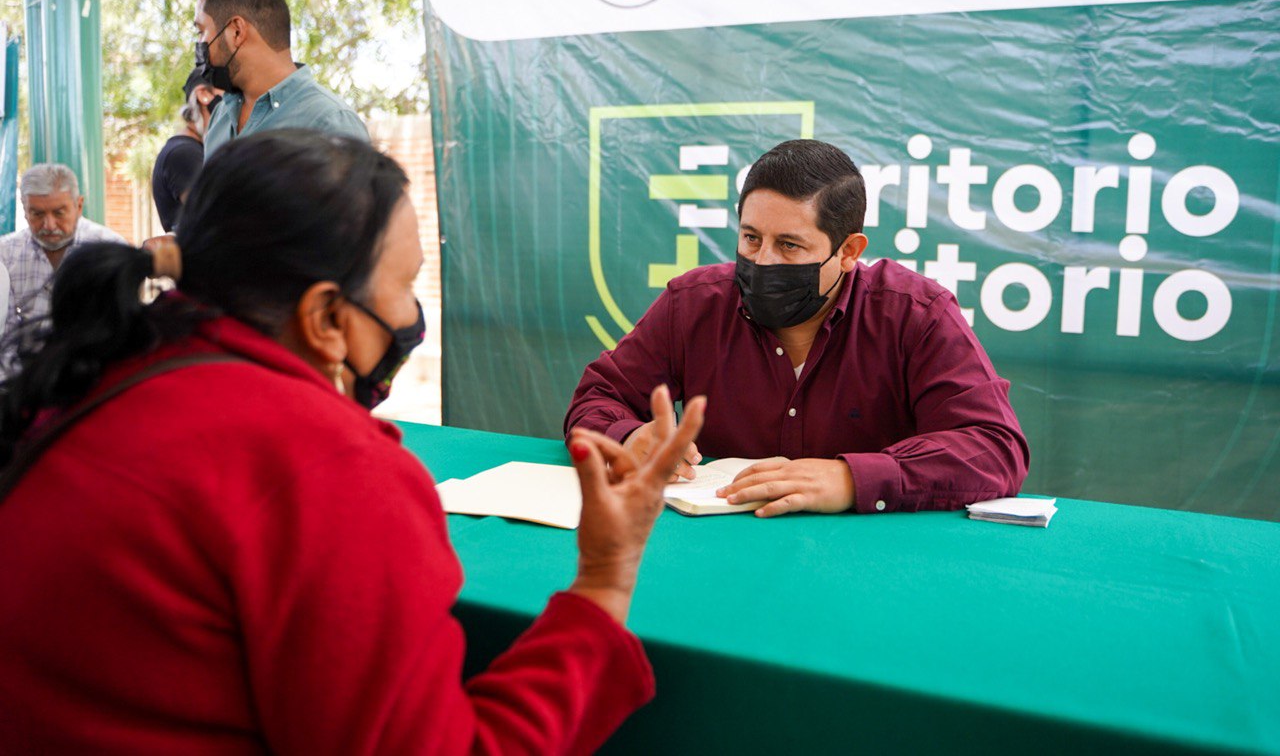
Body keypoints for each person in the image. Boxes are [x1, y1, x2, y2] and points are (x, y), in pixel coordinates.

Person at [0, 129, 704, 754]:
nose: (409, 312)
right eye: (405, 284)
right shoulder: (324, 465)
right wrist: (605, 583)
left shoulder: (99, 374)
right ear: (326, 318)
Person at [566, 139, 1029, 517]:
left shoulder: (916, 313)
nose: (762, 261)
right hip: (716, 556)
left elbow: (993, 448)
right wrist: (630, 437)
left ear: (849, 251)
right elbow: (596, 398)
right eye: (751, 237)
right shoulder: (694, 302)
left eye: (789, 245)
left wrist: (853, 478)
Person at [193, 0, 368, 160]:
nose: (199, 43)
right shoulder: (221, 116)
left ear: (236, 31)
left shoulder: (331, 124)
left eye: (201, 31)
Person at [0, 163, 127, 377]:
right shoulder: (5, 254)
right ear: (24, 209)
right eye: (37, 214)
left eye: (59, 213)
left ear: (79, 206)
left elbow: (121, 332)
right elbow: (6, 341)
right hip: (26, 383)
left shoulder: (110, 248)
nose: (49, 225)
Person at [151, 68, 223, 231]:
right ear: (203, 94)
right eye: (230, 93)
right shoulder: (185, 153)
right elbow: (213, 217)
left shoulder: (193, 149)